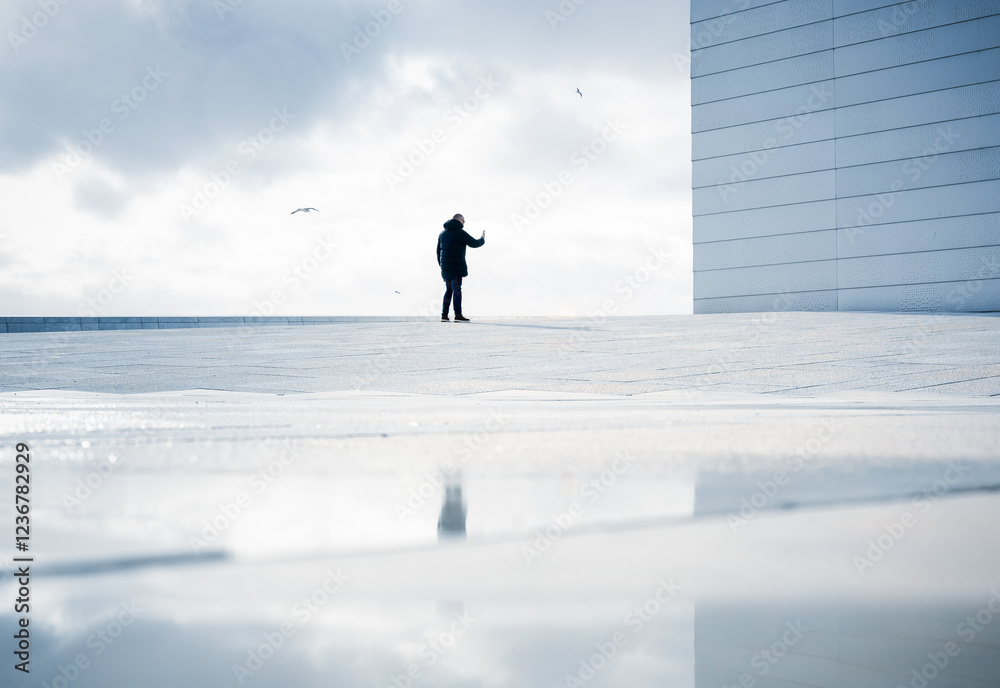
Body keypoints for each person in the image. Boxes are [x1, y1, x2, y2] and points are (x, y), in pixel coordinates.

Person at [436, 213, 485, 322]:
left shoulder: (442, 234)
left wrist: (442, 266)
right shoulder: (460, 233)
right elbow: (474, 243)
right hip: (457, 268)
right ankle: (458, 314)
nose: (464, 223)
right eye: (463, 221)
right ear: (459, 220)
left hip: (446, 269)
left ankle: (444, 315)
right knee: (457, 290)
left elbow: (438, 252)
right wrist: (482, 239)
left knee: (449, 290)